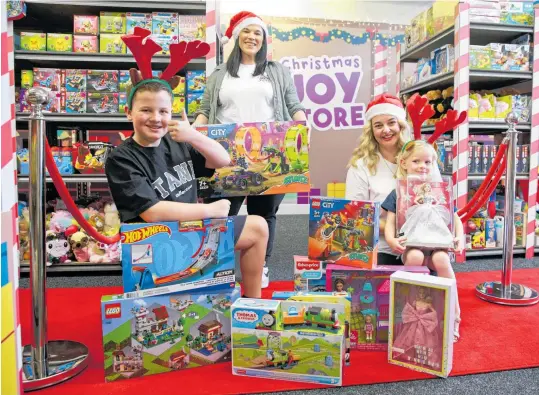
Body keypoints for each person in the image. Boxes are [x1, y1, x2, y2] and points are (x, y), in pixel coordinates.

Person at [105, 33, 268, 298]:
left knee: (258, 227)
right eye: (146, 110)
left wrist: (193, 134)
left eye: (163, 111)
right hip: (154, 240)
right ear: (128, 113)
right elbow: (152, 212)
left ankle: (253, 306)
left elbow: (222, 160)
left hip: (192, 230)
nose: (155, 118)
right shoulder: (121, 157)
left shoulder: (177, 141)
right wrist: (210, 210)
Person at [194, 11, 308, 288]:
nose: (252, 37)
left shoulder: (276, 70)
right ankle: (218, 265)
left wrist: (301, 128)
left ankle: (261, 265)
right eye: (247, 32)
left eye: (258, 33)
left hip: (270, 149)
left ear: (264, 39)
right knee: (222, 212)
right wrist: (195, 132)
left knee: (264, 212)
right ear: (236, 37)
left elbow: (293, 104)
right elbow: (206, 109)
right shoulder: (220, 73)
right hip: (227, 151)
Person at [382, 140, 463, 341]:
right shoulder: (399, 192)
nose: (422, 166)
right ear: (403, 163)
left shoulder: (440, 190)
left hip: (438, 243)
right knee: (415, 257)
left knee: (442, 261)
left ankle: (452, 314)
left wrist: (459, 236)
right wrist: (391, 239)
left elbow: (455, 218)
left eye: (427, 162)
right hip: (413, 243)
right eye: (416, 161)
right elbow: (390, 221)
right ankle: (410, 312)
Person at [345, 94, 410, 266]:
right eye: (378, 125)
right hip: (379, 246)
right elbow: (356, 216)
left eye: (391, 122)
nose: (386, 130)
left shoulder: (421, 158)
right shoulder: (361, 166)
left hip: (419, 245)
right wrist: (395, 230)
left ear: (401, 125)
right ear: (371, 131)